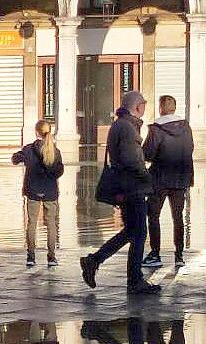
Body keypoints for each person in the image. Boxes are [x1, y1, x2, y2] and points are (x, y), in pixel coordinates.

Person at [81, 91, 161, 295]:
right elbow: (133, 160)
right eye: (143, 104)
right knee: (139, 234)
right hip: (132, 188)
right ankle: (134, 280)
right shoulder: (126, 127)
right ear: (136, 106)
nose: (144, 107)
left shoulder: (123, 124)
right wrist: (148, 180)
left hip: (127, 187)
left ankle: (94, 260)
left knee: (131, 232)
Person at [141, 95, 194, 269]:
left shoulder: (157, 129)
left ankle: (155, 253)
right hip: (181, 179)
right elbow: (190, 148)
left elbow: (147, 153)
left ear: (162, 108)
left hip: (160, 178)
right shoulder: (186, 127)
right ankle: (179, 255)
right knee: (178, 217)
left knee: (153, 215)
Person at [12, 120, 64, 268]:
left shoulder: (29, 149)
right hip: (50, 191)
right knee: (51, 224)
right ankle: (51, 257)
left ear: (36, 132)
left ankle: (31, 256)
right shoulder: (55, 151)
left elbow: (15, 159)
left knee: (32, 222)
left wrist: (19, 156)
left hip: (33, 190)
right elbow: (59, 171)